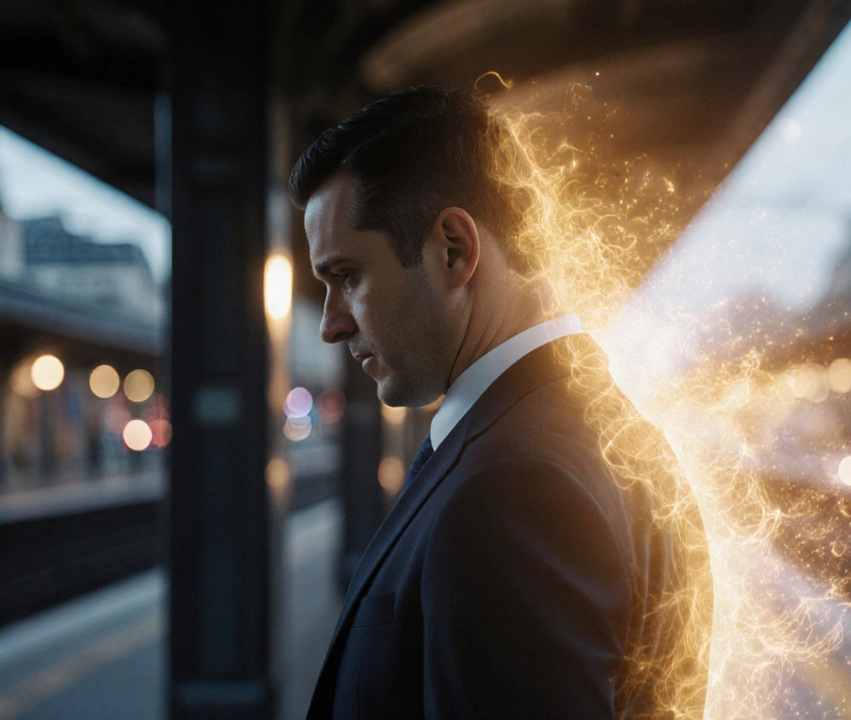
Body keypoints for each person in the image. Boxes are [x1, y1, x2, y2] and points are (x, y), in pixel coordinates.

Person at [291, 86, 710, 719]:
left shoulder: (511, 491)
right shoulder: (615, 436)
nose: (331, 325)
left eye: (347, 277)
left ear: (454, 250)